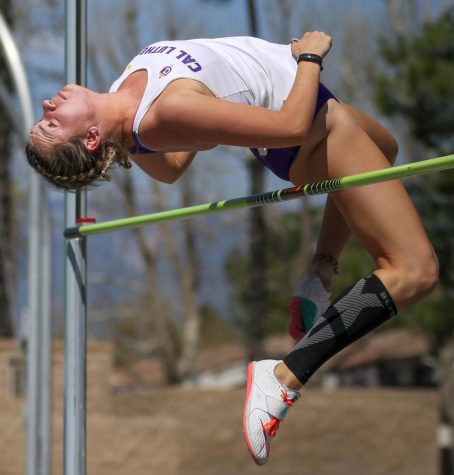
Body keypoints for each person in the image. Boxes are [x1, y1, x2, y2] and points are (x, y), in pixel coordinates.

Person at [26, 33, 438, 465]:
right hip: (310, 128)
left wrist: (134, 140)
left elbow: (172, 168)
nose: (46, 108)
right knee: (414, 270)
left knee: (385, 148)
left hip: (313, 109)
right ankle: (283, 376)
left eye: (44, 119)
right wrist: (310, 56)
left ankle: (320, 273)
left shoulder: (127, 102)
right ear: (90, 138)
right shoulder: (159, 114)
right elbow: (289, 128)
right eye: (51, 125)